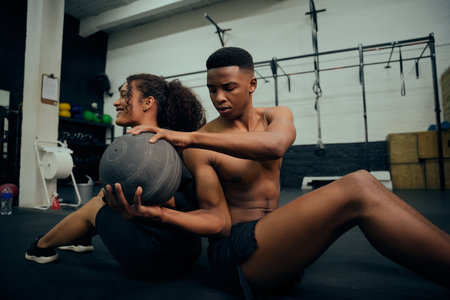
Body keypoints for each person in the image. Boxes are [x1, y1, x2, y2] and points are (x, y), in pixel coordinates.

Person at [125, 47, 450, 298]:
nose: (219, 98)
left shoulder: (274, 116)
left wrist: (190, 136)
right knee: (359, 187)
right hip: (236, 257)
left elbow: (276, 145)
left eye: (228, 87)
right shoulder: (202, 146)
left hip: (273, 239)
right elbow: (218, 222)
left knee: (363, 187)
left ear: (252, 84)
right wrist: (158, 215)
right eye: (212, 89)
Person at [25, 73, 206, 279]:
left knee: (96, 204)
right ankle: (80, 238)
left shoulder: (167, 146)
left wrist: (161, 198)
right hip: (183, 256)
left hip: (159, 257)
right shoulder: (155, 141)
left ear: (147, 102)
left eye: (125, 95)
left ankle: (40, 246)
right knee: (105, 194)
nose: (117, 102)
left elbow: (195, 201)